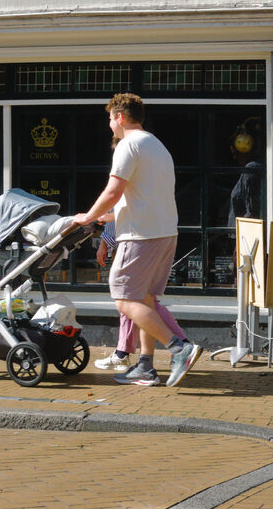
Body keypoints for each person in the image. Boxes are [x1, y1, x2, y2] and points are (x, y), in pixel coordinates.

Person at [73, 93, 202, 387]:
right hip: (165, 233)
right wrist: (112, 216)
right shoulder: (157, 146)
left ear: (119, 117)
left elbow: (113, 191)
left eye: (110, 119)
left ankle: (180, 348)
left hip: (140, 236)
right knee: (145, 300)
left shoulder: (128, 145)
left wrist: (89, 216)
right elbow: (144, 194)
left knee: (124, 299)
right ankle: (145, 366)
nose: (109, 125)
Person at [93, 218, 190, 372]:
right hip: (162, 238)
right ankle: (144, 362)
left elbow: (117, 207)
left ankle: (181, 347)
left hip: (135, 241)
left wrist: (103, 238)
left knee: (129, 299)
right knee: (143, 300)